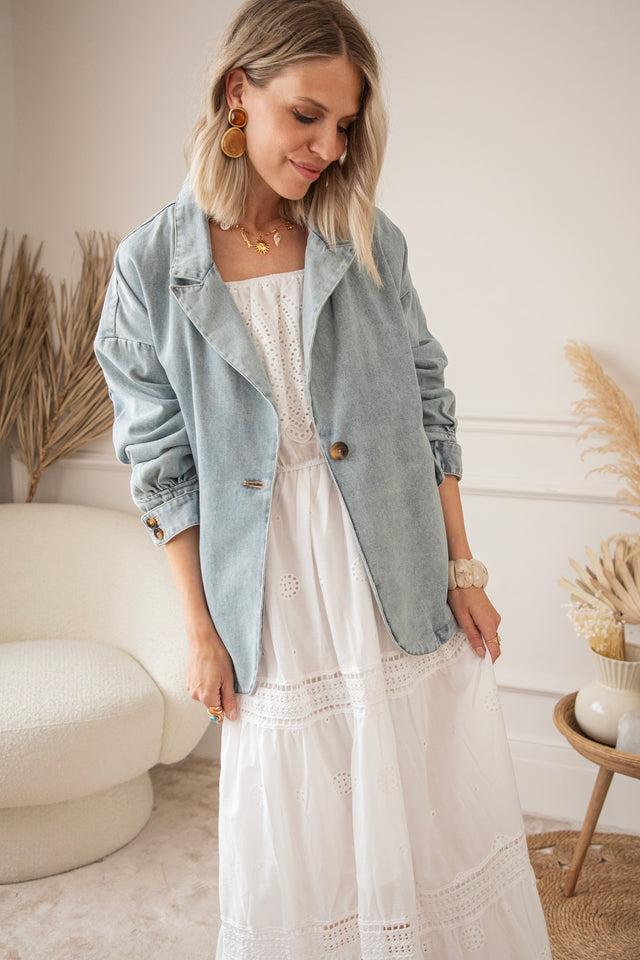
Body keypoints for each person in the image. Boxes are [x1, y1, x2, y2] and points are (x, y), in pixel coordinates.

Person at [95, 0, 551, 956]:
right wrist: (200, 631)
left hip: (389, 558)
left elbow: (429, 405)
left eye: (344, 125)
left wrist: (463, 568)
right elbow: (161, 468)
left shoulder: (368, 239)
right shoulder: (151, 268)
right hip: (268, 587)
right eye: (307, 116)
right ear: (238, 92)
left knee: (421, 807)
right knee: (305, 831)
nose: (329, 148)